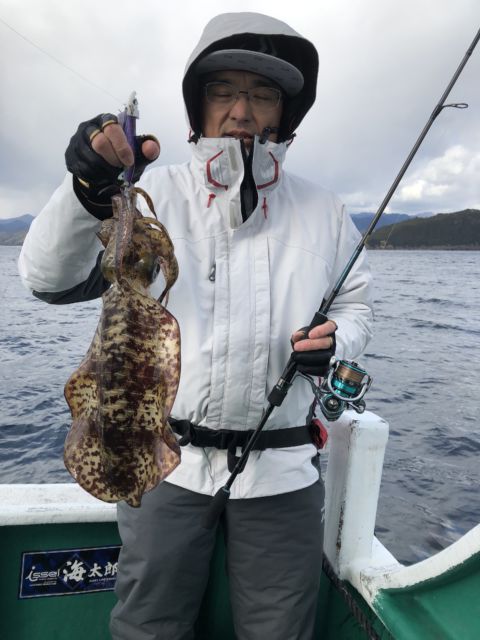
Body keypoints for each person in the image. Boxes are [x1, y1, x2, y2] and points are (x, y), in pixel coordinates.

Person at [19, 11, 373, 640]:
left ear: (284, 113)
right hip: (165, 463)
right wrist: (85, 190)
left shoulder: (325, 210)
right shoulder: (150, 197)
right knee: (148, 626)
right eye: (223, 90)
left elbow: (356, 306)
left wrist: (335, 342)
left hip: (283, 472)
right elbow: (48, 280)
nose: (242, 109)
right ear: (197, 104)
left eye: (262, 94)